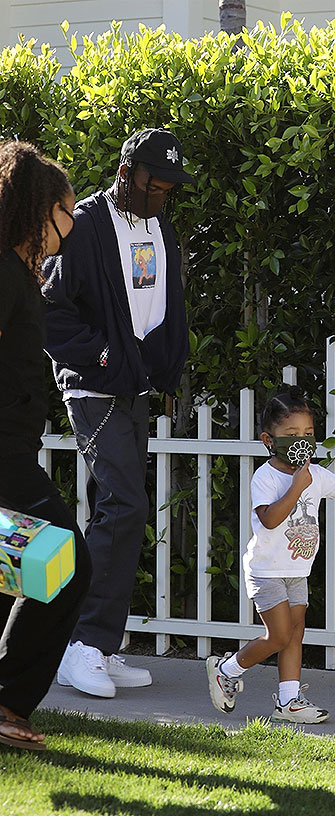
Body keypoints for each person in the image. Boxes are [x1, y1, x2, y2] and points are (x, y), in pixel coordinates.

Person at [42, 129, 192, 698]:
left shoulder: (159, 226)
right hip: (95, 389)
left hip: (135, 389)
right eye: (157, 182)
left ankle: (98, 645)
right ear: (128, 171)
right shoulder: (85, 225)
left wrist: (162, 368)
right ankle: (80, 646)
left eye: (172, 185)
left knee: (124, 510)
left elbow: (159, 304)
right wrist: (101, 354)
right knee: (122, 505)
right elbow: (50, 310)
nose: (165, 194)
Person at [206, 387, 335, 723]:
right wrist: (296, 486)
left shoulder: (316, 475)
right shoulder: (266, 477)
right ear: (269, 440)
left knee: (295, 635)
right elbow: (269, 519)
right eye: (291, 434)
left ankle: (288, 701)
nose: (302, 440)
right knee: (279, 635)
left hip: (297, 571)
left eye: (308, 433)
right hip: (266, 571)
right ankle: (227, 669)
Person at [0, 140, 91, 750]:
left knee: (31, 565)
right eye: (68, 210)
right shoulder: (5, 272)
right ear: (42, 209)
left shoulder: (16, 271)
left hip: (13, 451)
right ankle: (8, 700)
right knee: (62, 559)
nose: (74, 221)